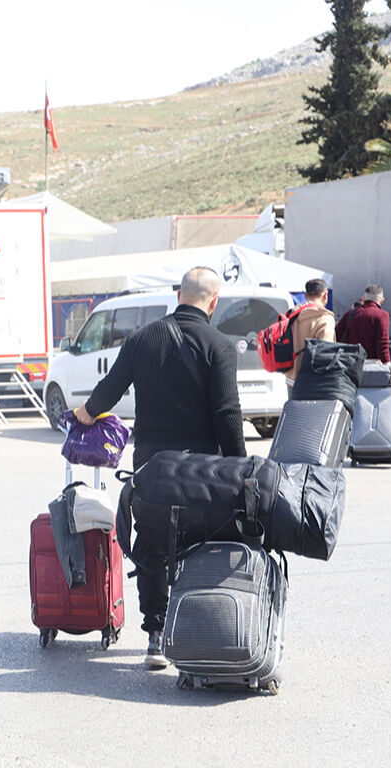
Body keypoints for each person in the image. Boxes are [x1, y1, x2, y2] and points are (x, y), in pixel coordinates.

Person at [74, 266, 246, 669]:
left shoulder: (142, 339)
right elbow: (226, 413)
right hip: (202, 471)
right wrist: (240, 469)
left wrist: (86, 413)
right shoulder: (219, 345)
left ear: (179, 294)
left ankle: (155, 634)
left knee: (152, 545)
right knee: (200, 544)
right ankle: (195, 630)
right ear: (213, 301)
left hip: (151, 466)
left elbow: (109, 391)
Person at [285, 278, 336, 385]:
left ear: (305, 296)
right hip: (314, 381)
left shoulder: (292, 314)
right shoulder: (325, 318)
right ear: (326, 295)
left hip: (291, 379)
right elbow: (326, 353)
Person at [343, 284, 391, 363]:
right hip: (373, 365)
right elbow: (382, 344)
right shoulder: (382, 315)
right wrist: (387, 363)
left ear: (363, 298)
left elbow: (336, 336)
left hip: (350, 363)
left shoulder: (349, 314)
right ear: (382, 300)